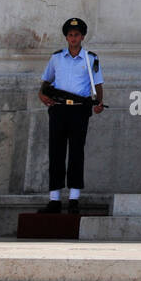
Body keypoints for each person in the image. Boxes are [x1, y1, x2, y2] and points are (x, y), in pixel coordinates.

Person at [38, 17, 104, 214]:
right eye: (70, 35)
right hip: (59, 108)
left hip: (79, 109)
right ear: (66, 37)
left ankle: (74, 198)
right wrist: (41, 95)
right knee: (56, 152)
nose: (73, 38)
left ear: (82, 36)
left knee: (76, 152)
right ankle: (55, 199)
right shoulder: (56, 58)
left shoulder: (90, 59)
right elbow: (46, 80)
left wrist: (99, 102)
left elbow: (98, 84)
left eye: (76, 35)